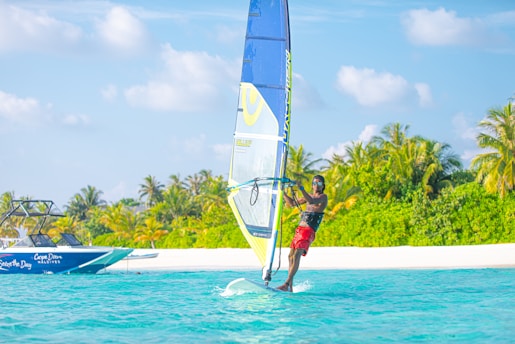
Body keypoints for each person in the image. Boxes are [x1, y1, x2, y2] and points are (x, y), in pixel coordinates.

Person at [277, 175, 328, 292]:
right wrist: (283, 192)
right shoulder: (308, 196)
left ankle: (286, 284)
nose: (316, 185)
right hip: (300, 229)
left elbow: (312, 201)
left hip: (309, 230)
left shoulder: (323, 197)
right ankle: (290, 286)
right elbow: (291, 203)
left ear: (323, 186)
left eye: (319, 183)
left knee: (296, 255)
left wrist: (301, 188)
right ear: (312, 185)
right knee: (290, 256)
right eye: (314, 183)